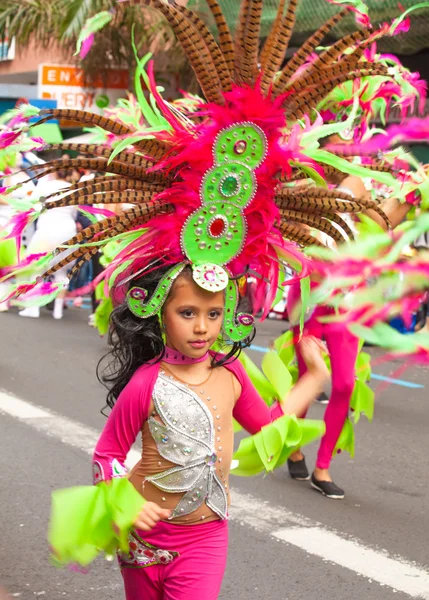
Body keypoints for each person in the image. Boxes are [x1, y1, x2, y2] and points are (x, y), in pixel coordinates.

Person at [88, 263, 329, 599]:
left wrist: (314, 377)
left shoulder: (231, 371)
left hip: (205, 537)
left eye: (213, 314)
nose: (202, 327)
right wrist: (124, 503)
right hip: (142, 538)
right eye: (187, 313)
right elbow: (107, 455)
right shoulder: (147, 382)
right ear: (161, 313)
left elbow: (270, 425)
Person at [18, 168, 77, 320]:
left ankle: (33, 307)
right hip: (68, 230)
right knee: (62, 272)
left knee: (37, 268)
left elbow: (32, 206)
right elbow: (75, 213)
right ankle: (58, 311)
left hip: (48, 229)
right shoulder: (73, 189)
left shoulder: (45, 186)